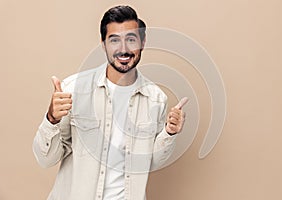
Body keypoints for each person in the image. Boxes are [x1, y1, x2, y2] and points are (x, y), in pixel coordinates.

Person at [33, 5, 188, 200]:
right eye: (114, 40)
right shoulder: (73, 89)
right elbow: (45, 159)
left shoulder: (155, 99)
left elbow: (150, 162)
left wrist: (169, 133)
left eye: (131, 39)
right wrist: (51, 119)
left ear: (143, 42)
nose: (123, 49)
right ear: (103, 43)